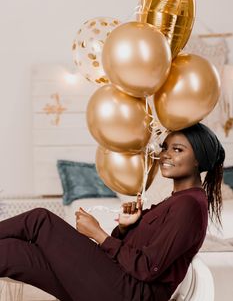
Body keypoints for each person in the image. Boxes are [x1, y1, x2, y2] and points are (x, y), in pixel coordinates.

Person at [0, 122, 225, 301]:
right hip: (113, 280)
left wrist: (99, 234)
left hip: (128, 294)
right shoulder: (177, 201)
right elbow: (134, 253)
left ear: (199, 159)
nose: (165, 155)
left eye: (178, 150)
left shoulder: (190, 205)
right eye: (165, 147)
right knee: (11, 252)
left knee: (40, 220)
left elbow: (147, 269)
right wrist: (126, 228)